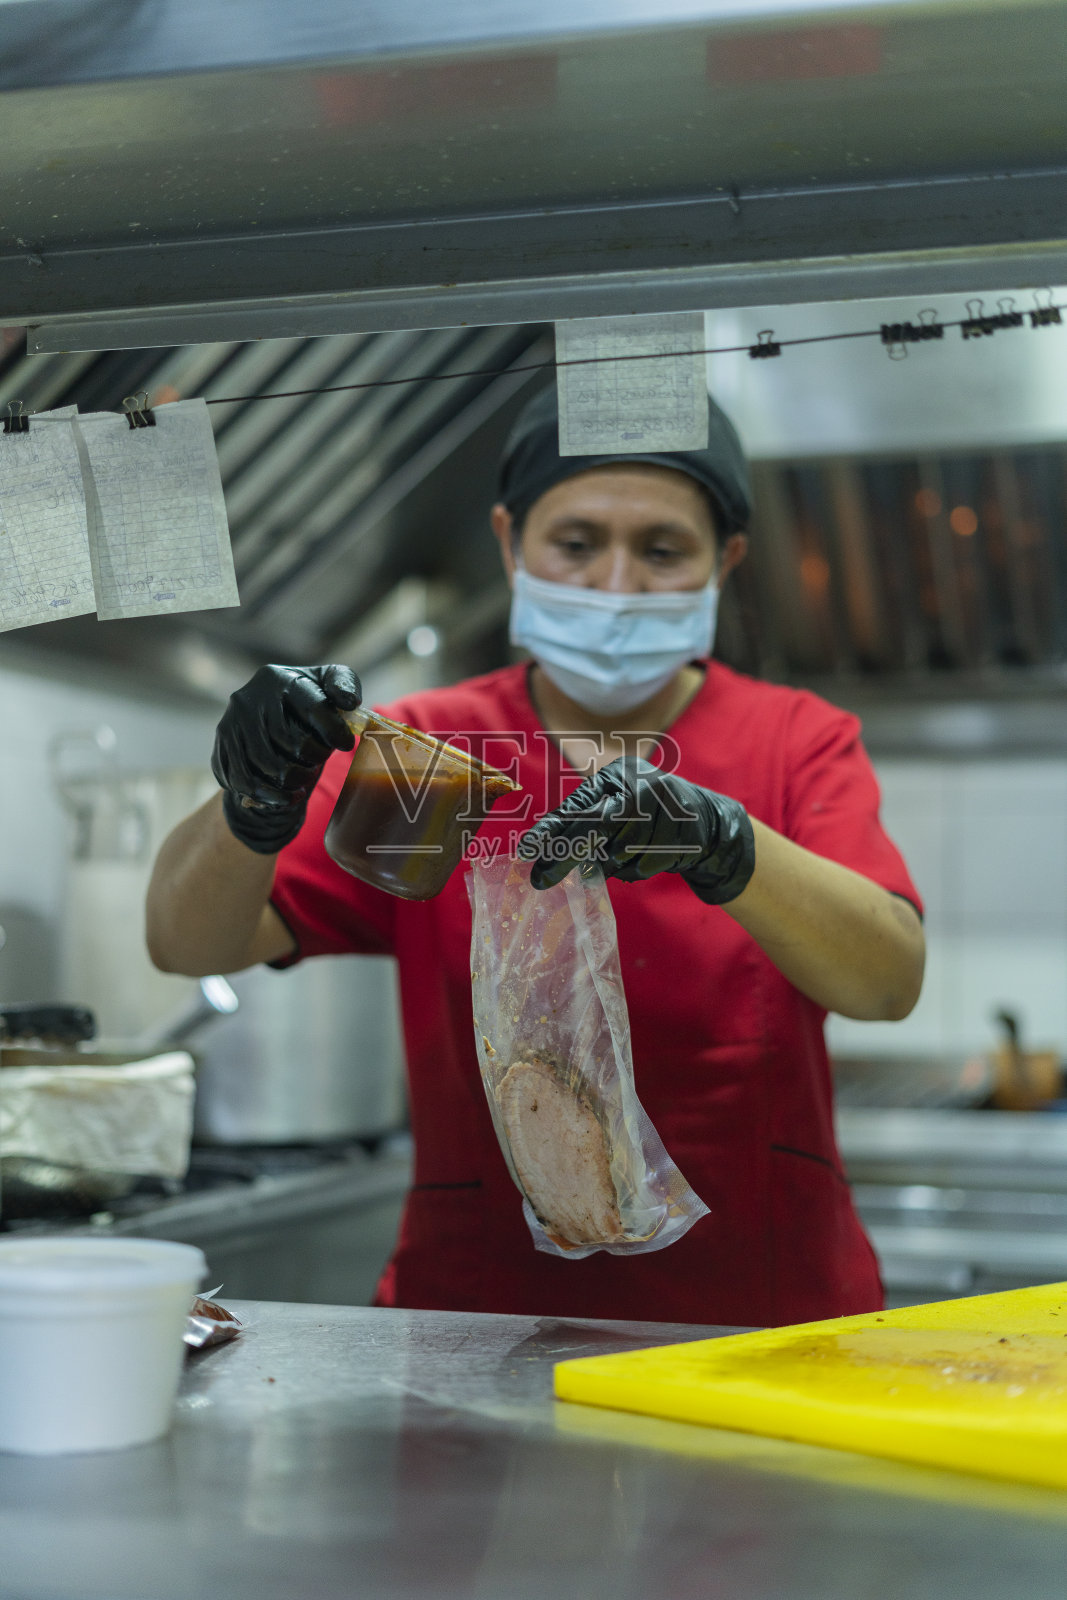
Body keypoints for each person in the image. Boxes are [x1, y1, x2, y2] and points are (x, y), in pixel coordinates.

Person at [146, 385, 925, 1328]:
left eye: (663, 549)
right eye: (576, 542)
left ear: (726, 561)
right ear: (510, 542)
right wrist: (250, 802)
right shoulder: (431, 751)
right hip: (484, 1319)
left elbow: (886, 980)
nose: (616, 584)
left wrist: (726, 844)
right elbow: (187, 942)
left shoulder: (793, 741)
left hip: (758, 1311)